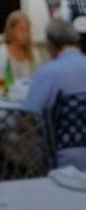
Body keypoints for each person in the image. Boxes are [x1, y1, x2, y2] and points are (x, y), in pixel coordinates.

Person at [23, 20, 86, 170]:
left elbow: (26, 116)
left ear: (51, 44)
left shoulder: (48, 72)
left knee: (7, 138)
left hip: (61, 155)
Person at [0, 11, 39, 81]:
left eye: (27, 30)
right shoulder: (3, 52)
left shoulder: (33, 53)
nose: (25, 34)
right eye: (21, 30)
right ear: (11, 30)